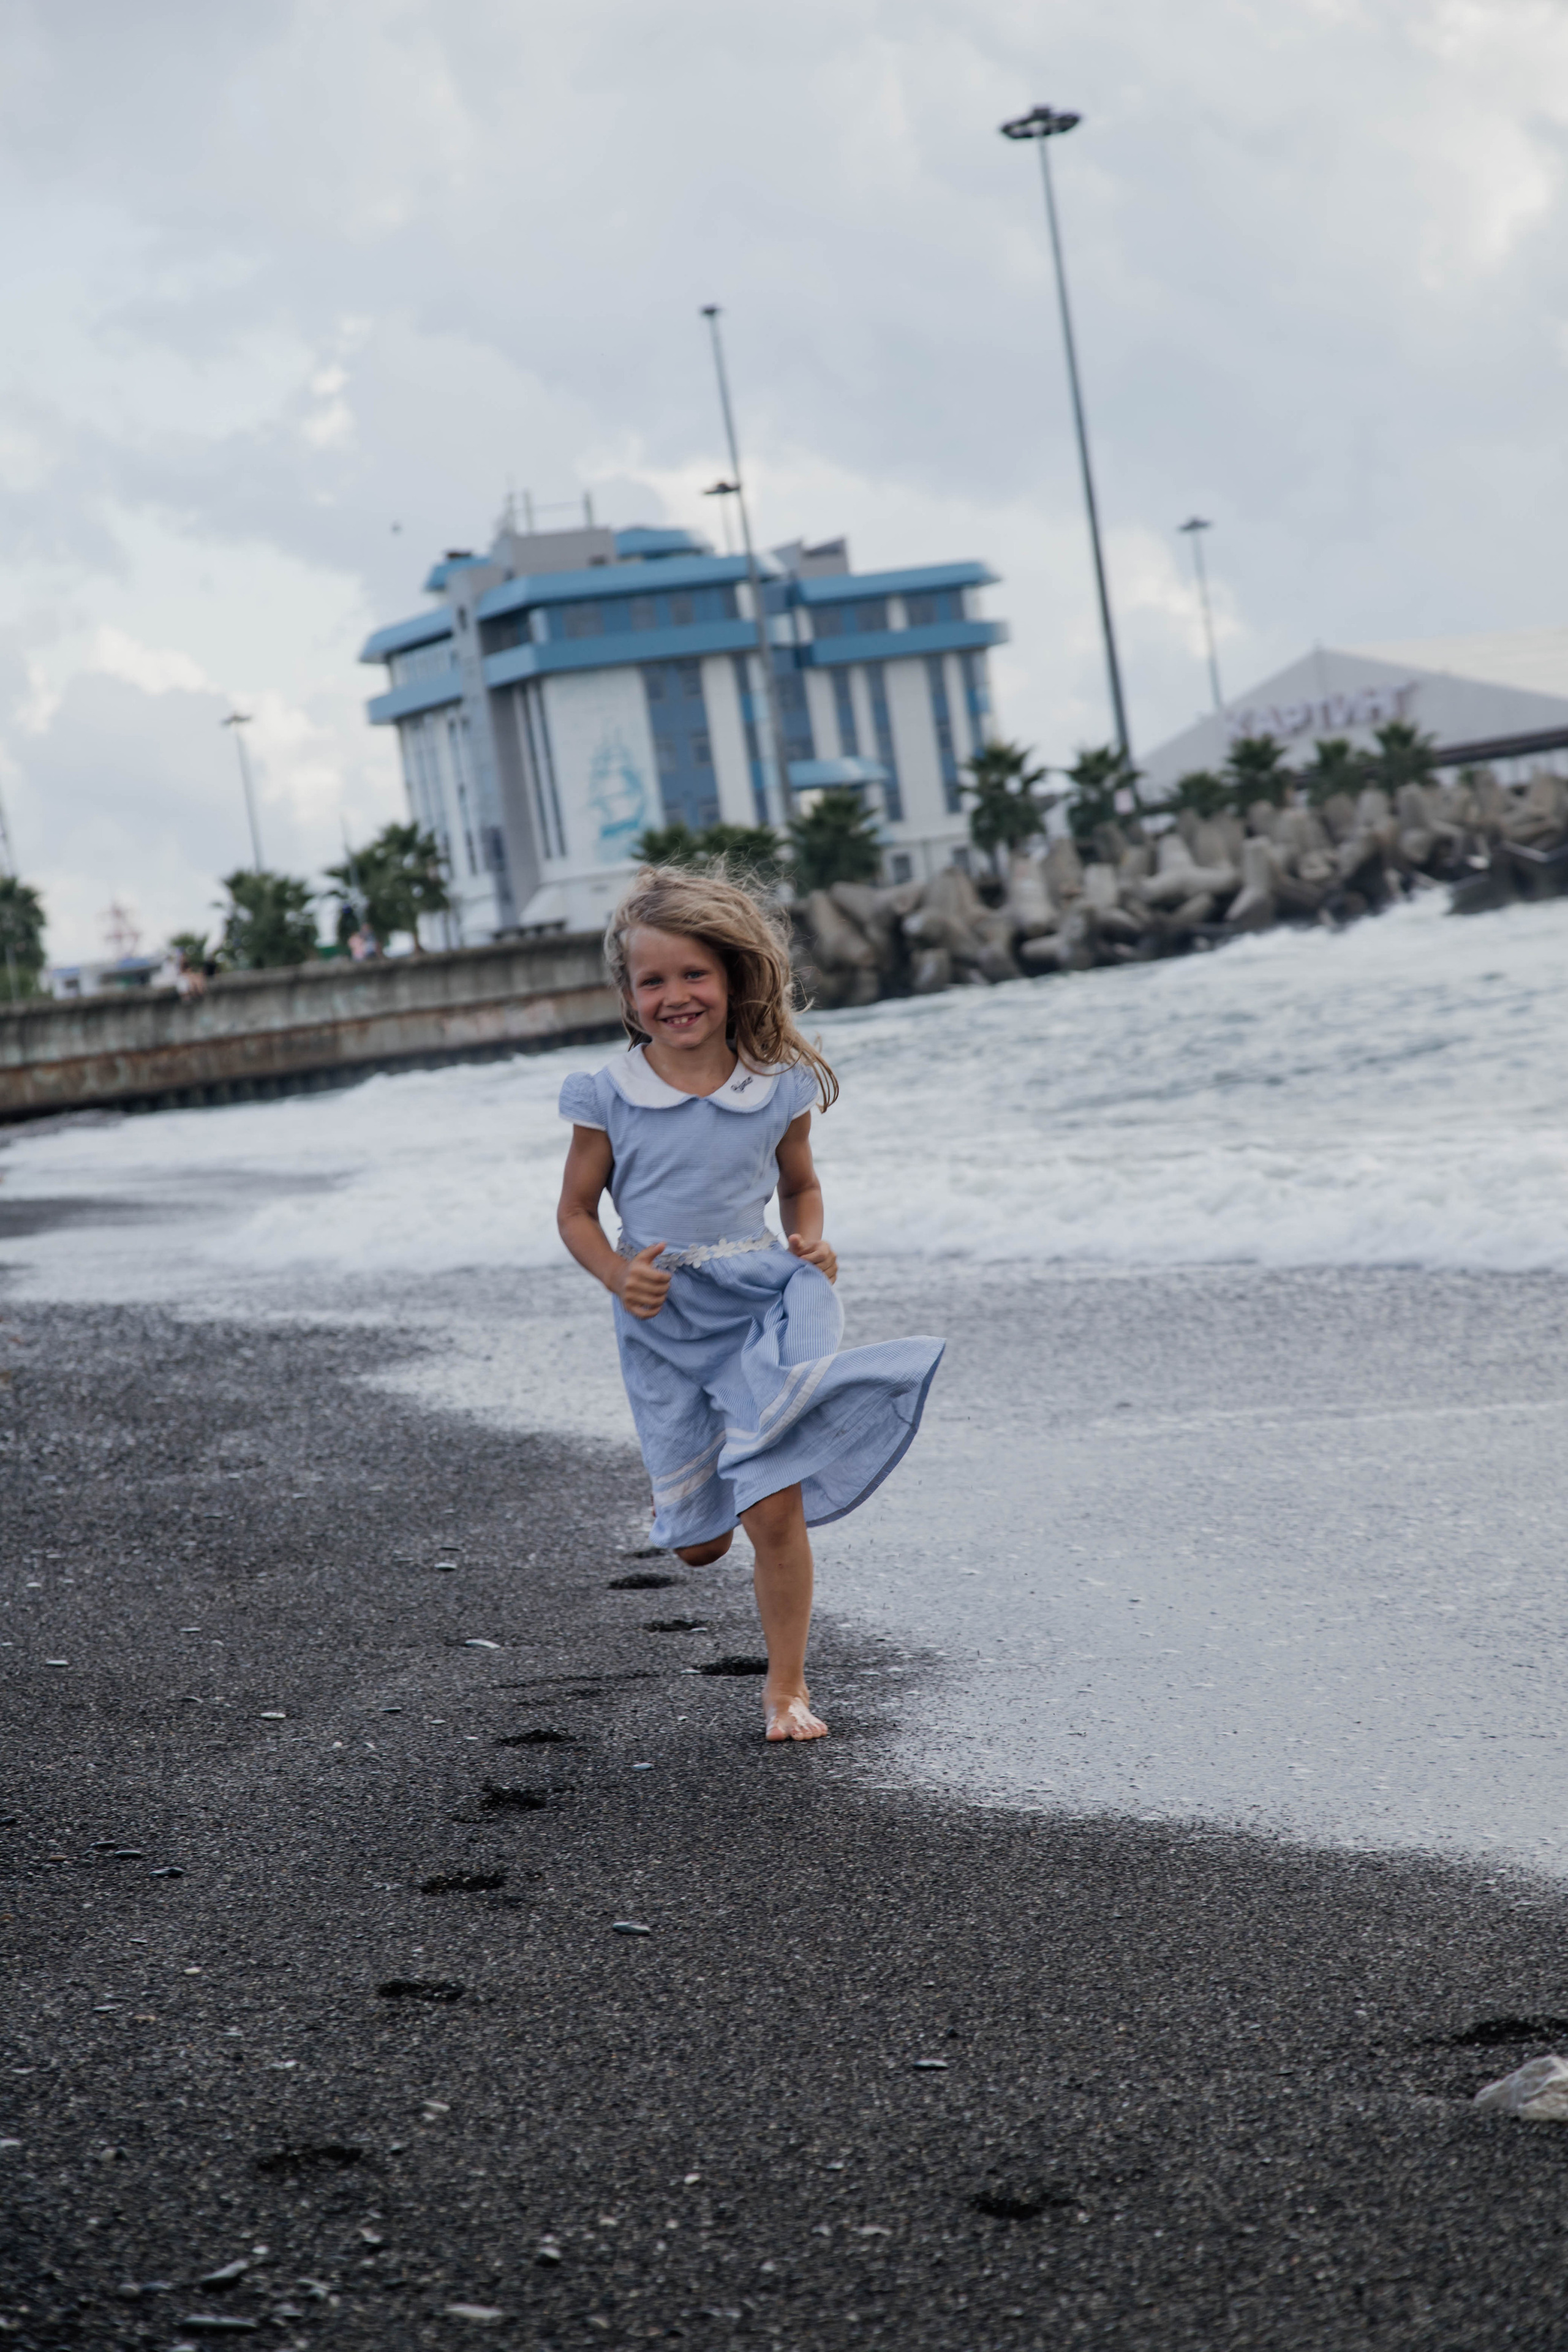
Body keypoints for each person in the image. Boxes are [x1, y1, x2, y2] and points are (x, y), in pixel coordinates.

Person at [556, 865, 944, 1743]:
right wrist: (618, 1276)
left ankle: (786, 1692)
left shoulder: (775, 1087)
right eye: (653, 980)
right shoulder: (608, 1096)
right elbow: (576, 1214)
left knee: (773, 1506)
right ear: (628, 994)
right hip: (660, 1321)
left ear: (733, 977)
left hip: (760, 1305)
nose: (676, 996)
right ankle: (703, 1493)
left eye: (694, 974)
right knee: (698, 1545)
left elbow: (801, 1188)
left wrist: (811, 1241)